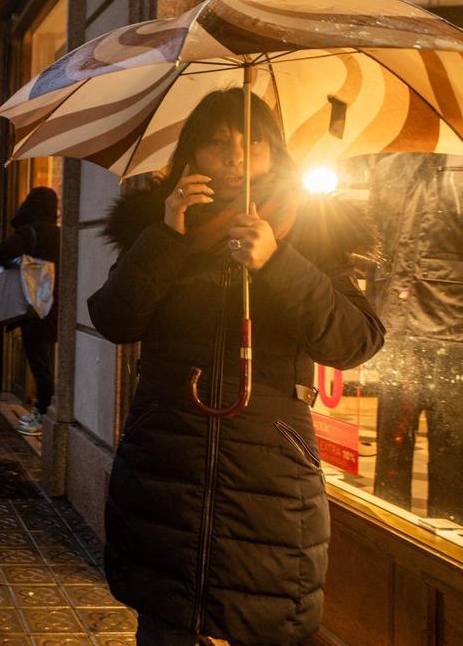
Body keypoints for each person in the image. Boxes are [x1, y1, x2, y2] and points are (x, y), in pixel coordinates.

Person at [87, 88, 385, 646]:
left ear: (275, 153)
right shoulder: (157, 226)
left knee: (264, 616)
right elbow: (113, 320)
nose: (236, 159)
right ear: (191, 155)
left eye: (253, 144)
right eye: (217, 144)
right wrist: (165, 237)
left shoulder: (315, 230)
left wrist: (278, 262)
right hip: (165, 465)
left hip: (268, 474)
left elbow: (356, 341)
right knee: (165, 621)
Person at [368, 153, 463, 522]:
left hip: (453, 338)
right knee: (390, 467)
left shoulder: (455, 159)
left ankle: (444, 563)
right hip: (398, 334)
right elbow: (378, 253)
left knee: (451, 465)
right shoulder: (389, 166)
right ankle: (384, 550)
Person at [0, 187, 60, 435]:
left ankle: (43, 413)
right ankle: (45, 410)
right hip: (58, 307)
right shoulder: (62, 234)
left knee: (40, 365)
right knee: (49, 365)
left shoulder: (29, 232)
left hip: (35, 307)